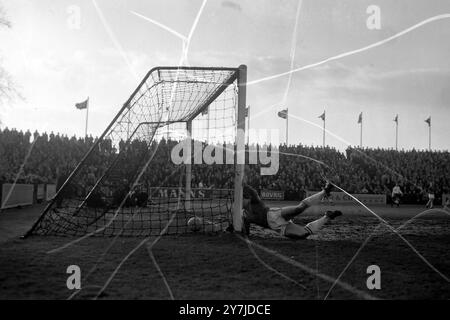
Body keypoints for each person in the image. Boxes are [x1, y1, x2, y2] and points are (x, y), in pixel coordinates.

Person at [240, 182, 342, 239]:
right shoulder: (244, 215)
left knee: (299, 208)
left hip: (273, 214)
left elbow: (250, 194)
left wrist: (243, 186)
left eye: (244, 197)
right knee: (303, 234)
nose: (243, 200)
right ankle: (327, 216)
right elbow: (245, 232)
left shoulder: (254, 200)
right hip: (278, 227)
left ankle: (325, 191)